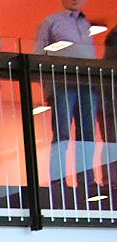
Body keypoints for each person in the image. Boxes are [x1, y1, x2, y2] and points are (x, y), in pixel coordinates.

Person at [34, 0, 102, 198]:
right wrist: (48, 86)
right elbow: (37, 55)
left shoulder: (86, 24)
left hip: (88, 84)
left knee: (87, 134)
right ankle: (58, 181)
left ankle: (86, 181)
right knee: (62, 133)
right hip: (62, 84)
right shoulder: (51, 21)